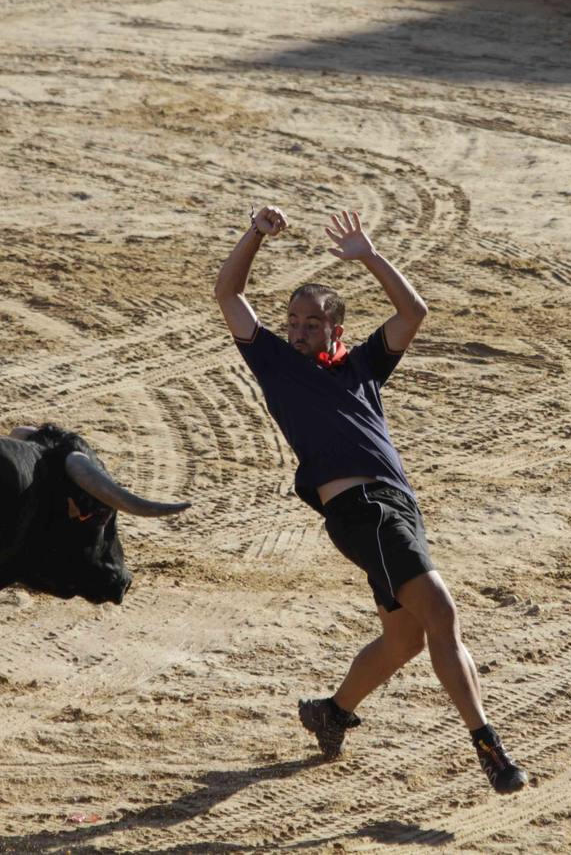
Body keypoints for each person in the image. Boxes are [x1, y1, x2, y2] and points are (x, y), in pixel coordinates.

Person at [213, 205, 529, 795]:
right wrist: (255, 233)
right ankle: (488, 746)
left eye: (311, 322)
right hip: (360, 512)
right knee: (441, 612)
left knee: (405, 639)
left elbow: (415, 312)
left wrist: (370, 256)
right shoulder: (274, 364)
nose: (298, 329)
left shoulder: (360, 369)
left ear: (336, 329)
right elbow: (227, 292)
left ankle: (331, 712)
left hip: (399, 507)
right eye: (293, 320)